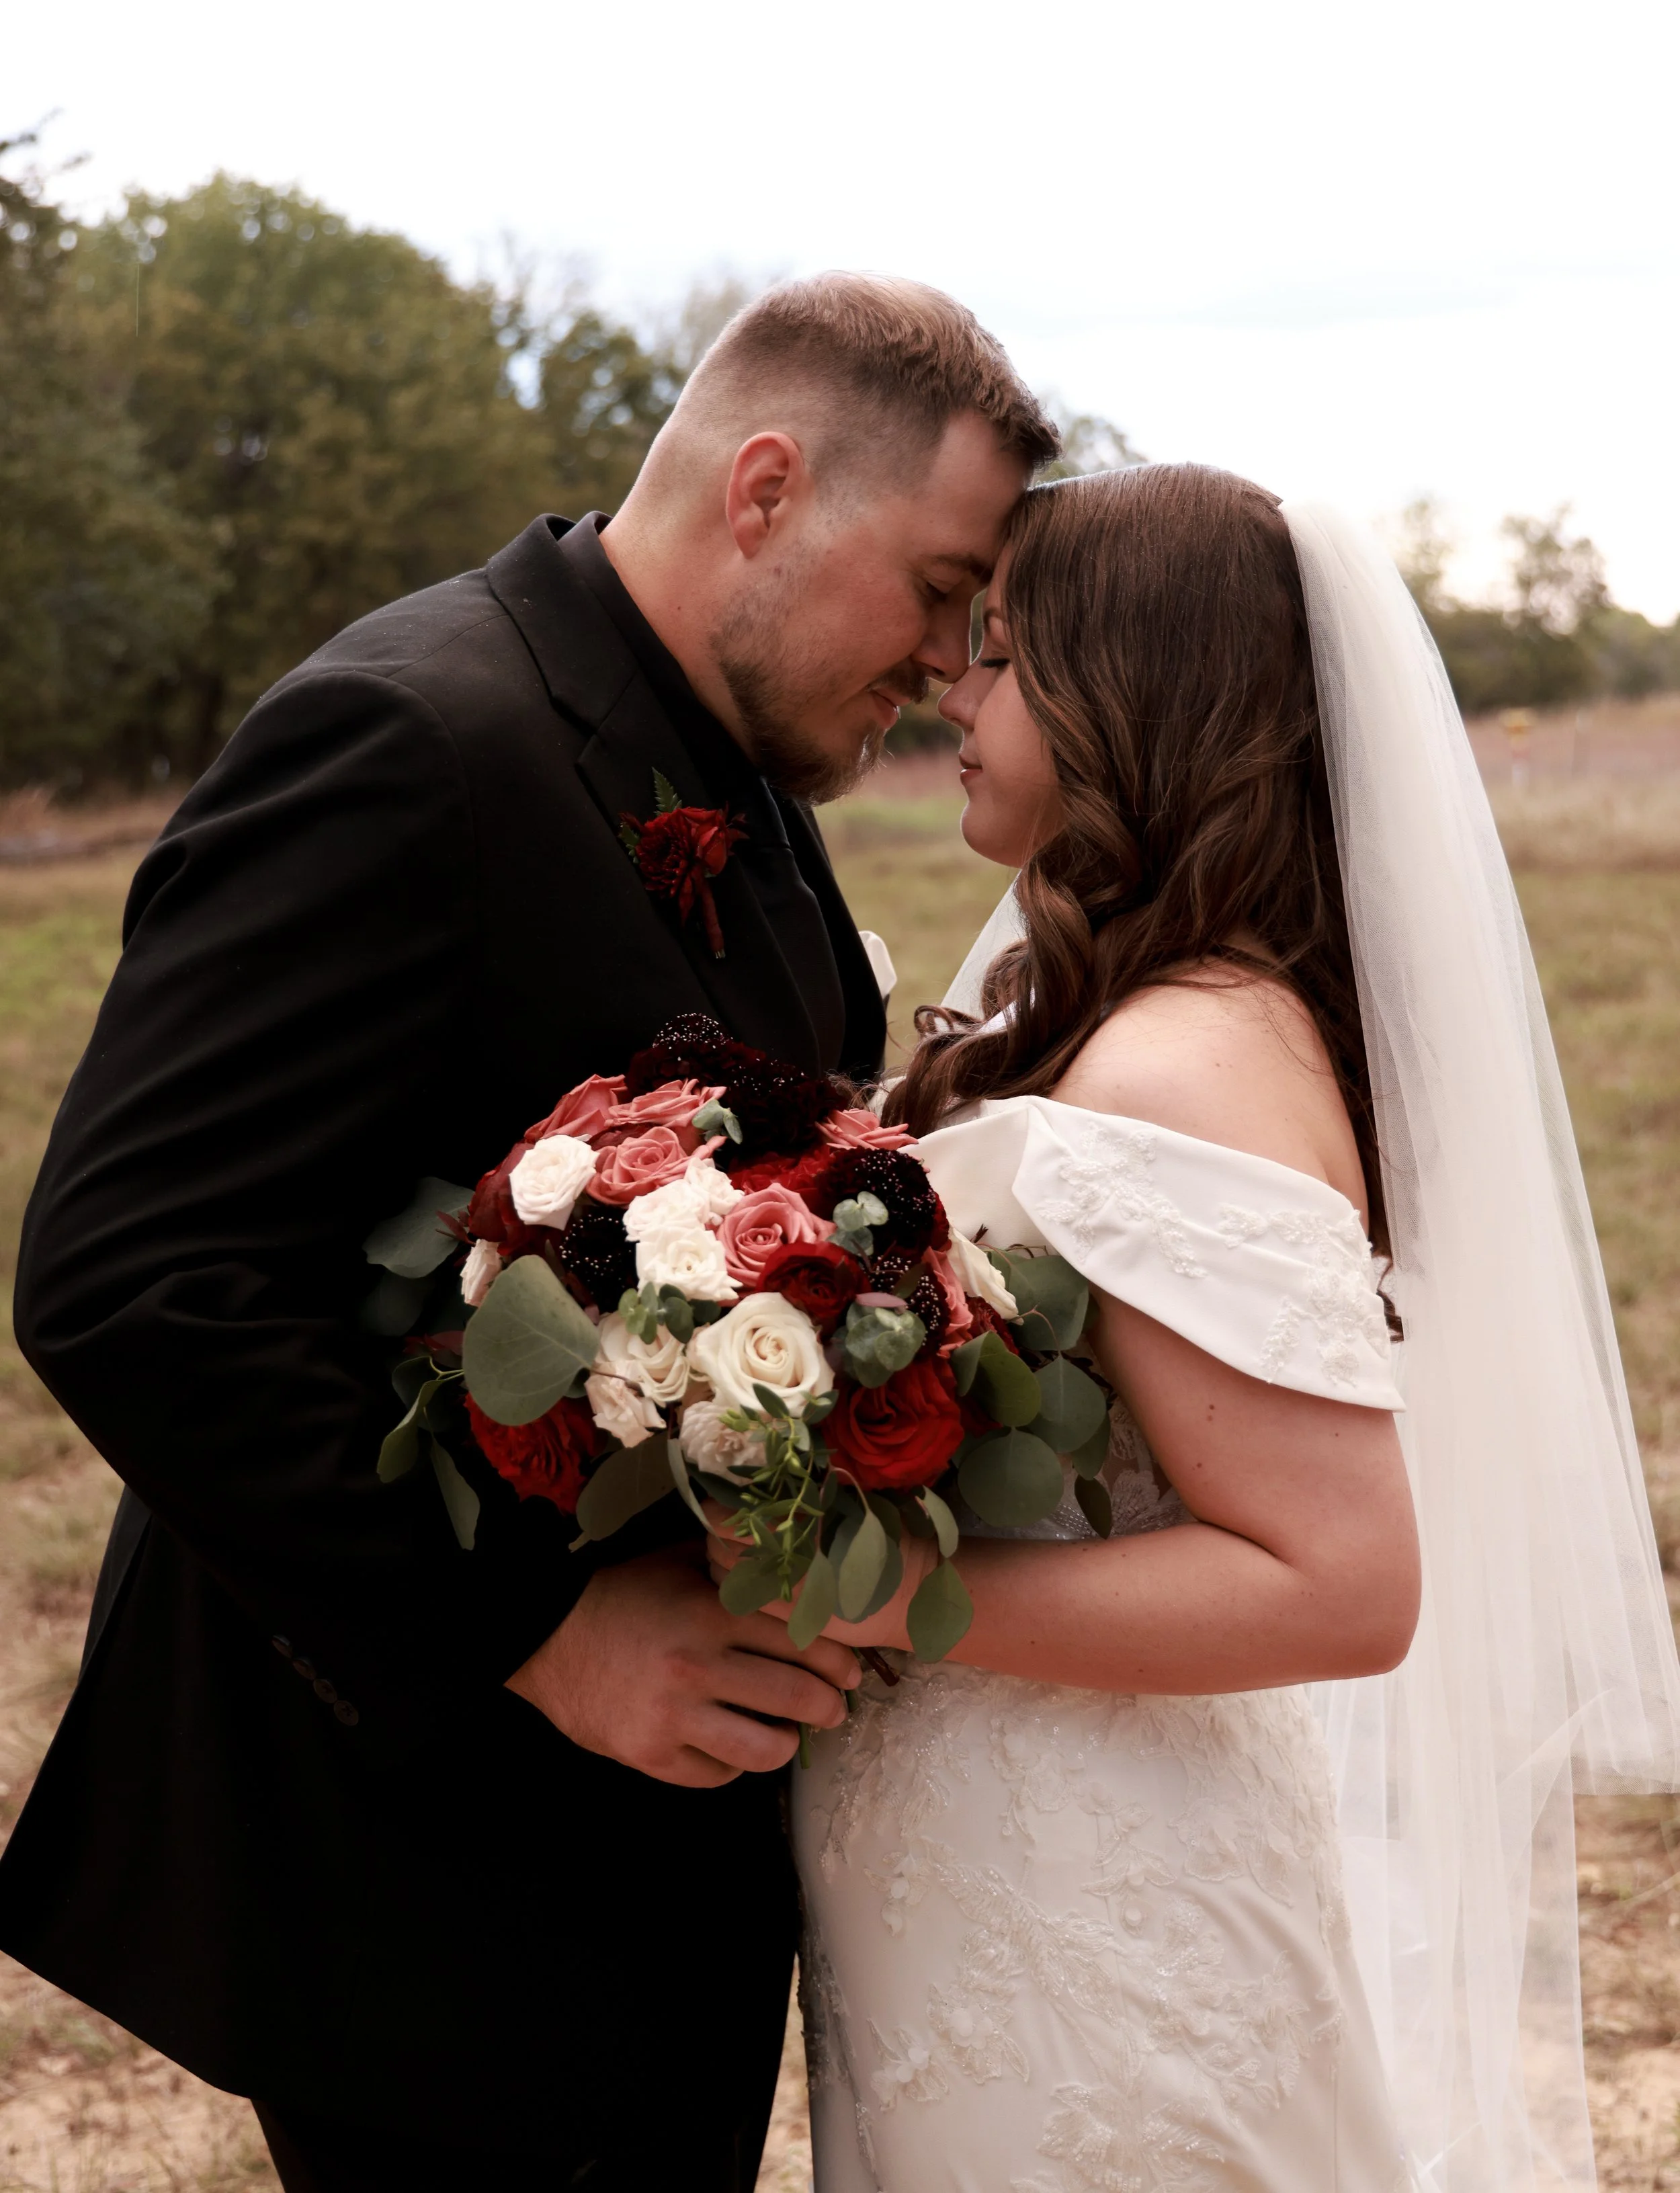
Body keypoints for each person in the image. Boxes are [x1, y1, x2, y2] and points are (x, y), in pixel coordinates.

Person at [0, 275, 1056, 2190]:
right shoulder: (404, 736)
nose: (947, 655)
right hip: (415, 1855)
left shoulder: (730, 754)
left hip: (628, 1842)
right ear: (762, 488)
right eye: (935, 585)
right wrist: (543, 1634)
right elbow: (126, 1276)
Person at [731, 466, 1680, 2192]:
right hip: (1006, 1855)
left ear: (1128, 696)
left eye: (1005, 655)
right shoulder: (1134, 1004)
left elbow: (1338, 1579)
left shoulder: (1181, 1058)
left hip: (1094, 1896)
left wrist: (879, 1592)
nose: (955, 683)